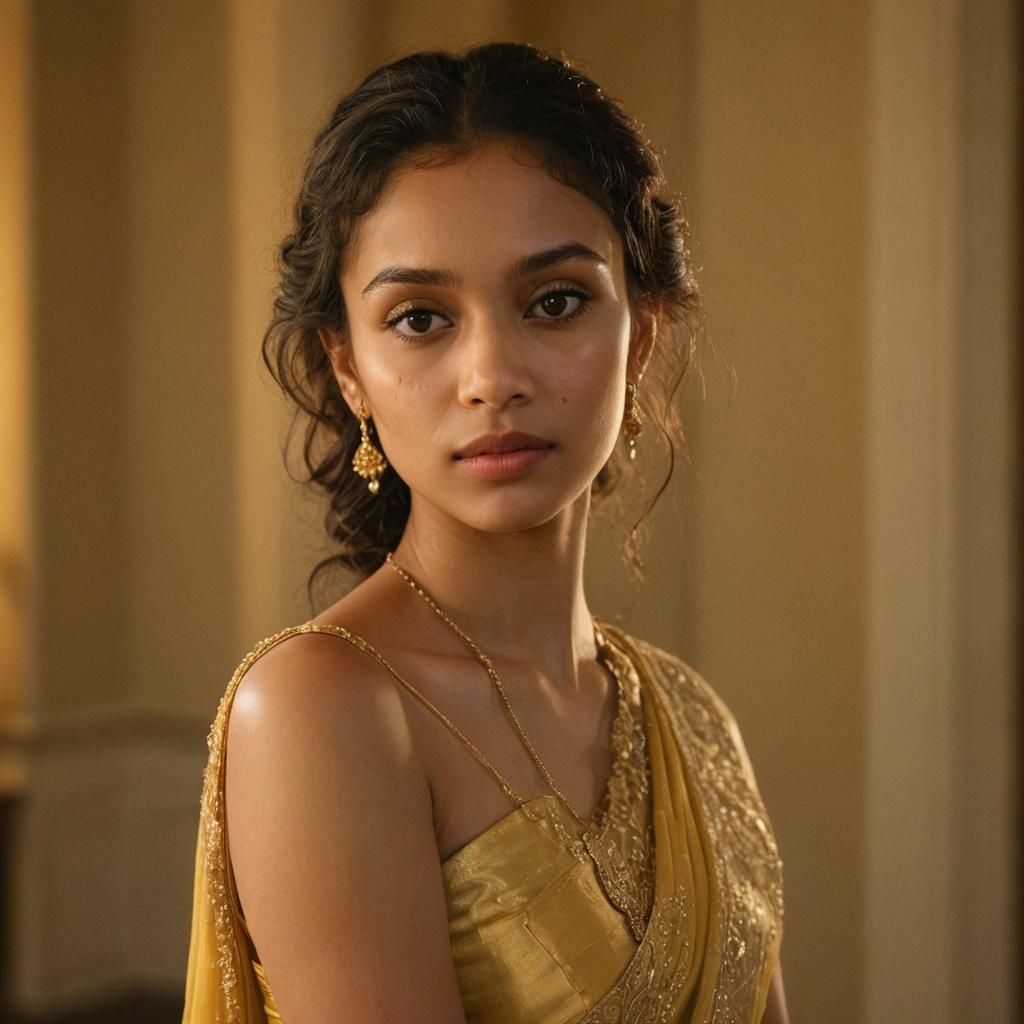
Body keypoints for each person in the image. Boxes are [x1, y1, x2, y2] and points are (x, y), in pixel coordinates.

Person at [182, 41, 787, 1024]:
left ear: (645, 330)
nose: (491, 374)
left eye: (554, 301)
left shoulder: (692, 723)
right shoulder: (322, 709)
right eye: (420, 318)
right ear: (346, 367)